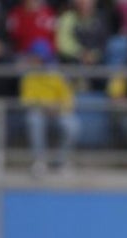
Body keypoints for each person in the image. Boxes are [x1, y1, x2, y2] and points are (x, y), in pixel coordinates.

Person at [20, 40, 80, 176]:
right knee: (33, 121)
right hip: (39, 112)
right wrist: (44, 106)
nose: (33, 59)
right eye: (33, 56)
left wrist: (57, 108)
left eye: (36, 57)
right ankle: (39, 162)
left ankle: (61, 161)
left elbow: (68, 99)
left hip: (58, 112)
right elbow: (27, 101)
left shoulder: (56, 75)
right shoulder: (29, 76)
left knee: (72, 125)